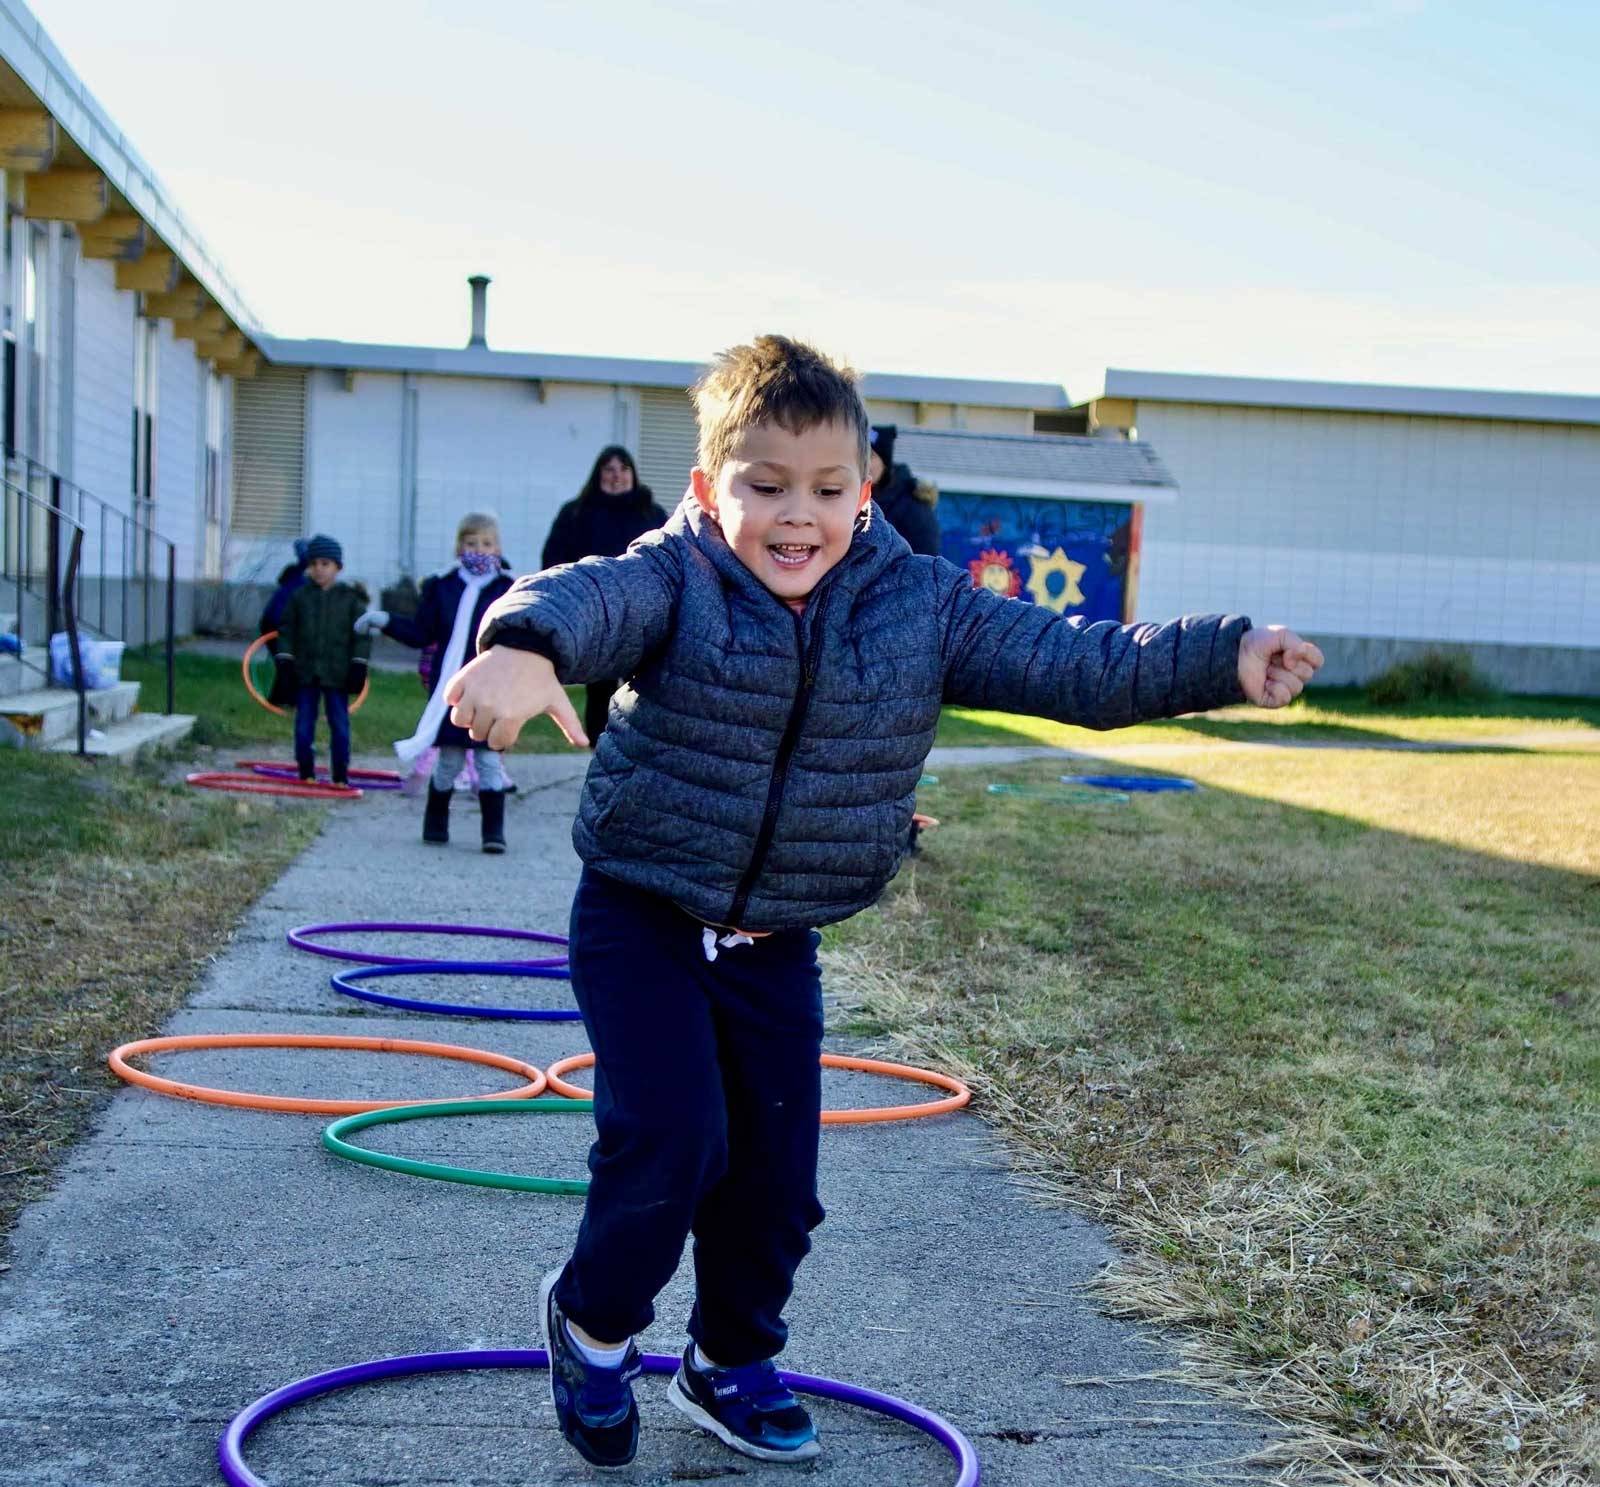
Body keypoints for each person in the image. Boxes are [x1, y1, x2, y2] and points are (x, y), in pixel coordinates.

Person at [445, 335, 1322, 1471]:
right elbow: (584, 596)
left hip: (775, 940)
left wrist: (1222, 658)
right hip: (643, 913)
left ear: (866, 491)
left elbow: (1078, 664)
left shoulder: (921, 605)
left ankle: (727, 1363)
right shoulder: (675, 574)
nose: (796, 516)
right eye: (765, 487)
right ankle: (594, 1322)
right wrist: (523, 646)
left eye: (826, 488)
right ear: (711, 491)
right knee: (673, 1135)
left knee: (776, 1183)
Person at [355, 513, 516, 852]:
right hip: (453, 692)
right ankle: (435, 825)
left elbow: (517, 638)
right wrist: (385, 621)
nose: (479, 549)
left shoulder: (508, 590)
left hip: (489, 692)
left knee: (488, 762)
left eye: (486, 544)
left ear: (498, 548)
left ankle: (493, 833)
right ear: (459, 546)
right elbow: (421, 632)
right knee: (450, 762)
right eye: (471, 543)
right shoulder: (442, 586)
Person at [540, 445, 669, 744]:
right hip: (595, 613)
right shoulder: (576, 513)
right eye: (609, 470)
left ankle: (638, 747)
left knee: (644, 688)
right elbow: (555, 562)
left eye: (623, 470)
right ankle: (598, 748)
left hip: (642, 612)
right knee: (599, 688)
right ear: (598, 475)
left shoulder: (650, 512)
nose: (617, 476)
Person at [274, 534, 369, 786]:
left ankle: (340, 774)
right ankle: (306, 772)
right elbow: (286, 631)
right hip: (306, 674)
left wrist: (359, 664)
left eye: (325, 564)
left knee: (339, 726)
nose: (319, 569)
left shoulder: (350, 600)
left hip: (338, 675)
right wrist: (285, 661)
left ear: (338, 567)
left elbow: (362, 635)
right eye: (314, 563)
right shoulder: (299, 597)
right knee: (304, 726)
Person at [867, 424, 941, 557]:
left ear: (885, 462)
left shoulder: (914, 507)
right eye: (860, 454)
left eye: (871, 455)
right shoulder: (853, 500)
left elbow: (927, 562)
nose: (864, 462)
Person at [259, 538, 309, 707]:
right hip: (275, 623)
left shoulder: (296, 574)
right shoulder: (302, 577)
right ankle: (282, 701)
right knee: (288, 663)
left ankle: (284, 701)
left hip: (277, 623)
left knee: (290, 663)